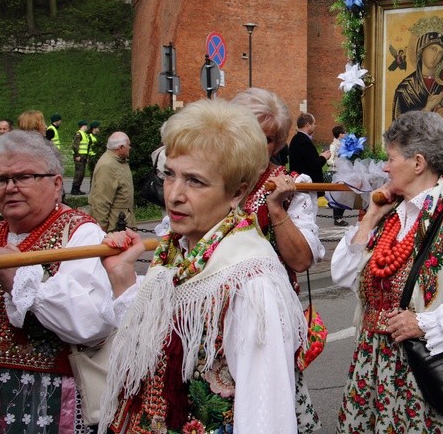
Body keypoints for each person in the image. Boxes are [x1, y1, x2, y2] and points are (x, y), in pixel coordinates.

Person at [96, 99, 306, 433]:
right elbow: (155, 351)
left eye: (195, 181)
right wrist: (122, 277)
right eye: (169, 174)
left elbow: (266, 412)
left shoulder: (249, 278)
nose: (174, 195)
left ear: (237, 192)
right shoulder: (175, 253)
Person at [331, 110, 443, 433]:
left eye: (391, 158)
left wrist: (423, 323)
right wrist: (370, 216)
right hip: (373, 370)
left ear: (417, 162)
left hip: (427, 377)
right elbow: (343, 274)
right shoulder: (392, 215)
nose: (384, 167)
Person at [0, 130, 116, 432]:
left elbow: (89, 324)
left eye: (23, 176)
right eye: (1, 179)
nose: (10, 188)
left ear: (56, 183)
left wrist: (17, 279)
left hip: (53, 396)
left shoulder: (81, 235)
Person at [232, 88, 324, 432]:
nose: (258, 146)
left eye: (268, 139)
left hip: (264, 322)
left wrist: (276, 210)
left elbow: (301, 260)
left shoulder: (291, 186)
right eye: (248, 133)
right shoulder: (209, 179)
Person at [392, 31, 443, 146]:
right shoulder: (405, 89)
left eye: (440, 53)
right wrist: (427, 108)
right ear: (421, 50)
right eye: (433, 49)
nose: (435, 57)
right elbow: (399, 131)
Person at [88, 132, 136, 232]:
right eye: (128, 145)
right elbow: (101, 202)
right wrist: (101, 231)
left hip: (122, 224)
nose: (130, 147)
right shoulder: (107, 165)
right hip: (114, 228)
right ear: (121, 147)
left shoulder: (118, 161)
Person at [289, 112, 331, 191]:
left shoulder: (296, 138)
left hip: (302, 184)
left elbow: (307, 160)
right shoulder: (304, 141)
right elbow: (315, 165)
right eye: (314, 123)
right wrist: (324, 157)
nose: (315, 126)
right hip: (308, 187)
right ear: (307, 124)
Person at [328, 124, 348, 226]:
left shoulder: (345, 145)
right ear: (340, 134)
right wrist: (339, 162)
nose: (346, 134)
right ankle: (337, 218)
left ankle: (340, 217)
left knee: (344, 195)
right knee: (338, 195)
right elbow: (330, 161)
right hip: (336, 173)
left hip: (345, 173)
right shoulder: (333, 146)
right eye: (344, 132)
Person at [71, 120, 90, 195]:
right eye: (86, 125)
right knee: (79, 173)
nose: (87, 127)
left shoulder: (84, 134)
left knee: (82, 173)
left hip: (83, 156)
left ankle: (78, 188)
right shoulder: (79, 134)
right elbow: (75, 146)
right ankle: (75, 189)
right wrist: (77, 155)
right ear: (83, 126)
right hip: (79, 156)